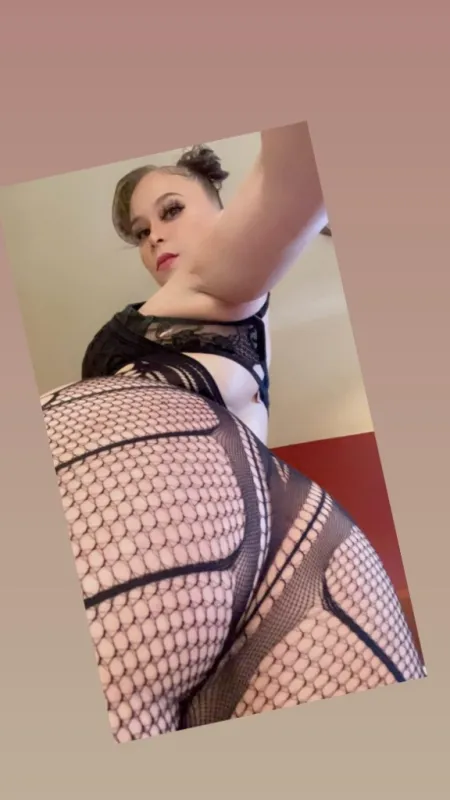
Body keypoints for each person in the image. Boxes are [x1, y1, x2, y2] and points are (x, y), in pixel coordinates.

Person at [41, 122, 425, 744]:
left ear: (224, 214)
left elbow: (291, 173)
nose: (154, 235)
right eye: (140, 231)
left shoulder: (209, 282)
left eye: (171, 210)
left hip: (203, 547)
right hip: (285, 562)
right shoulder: (220, 309)